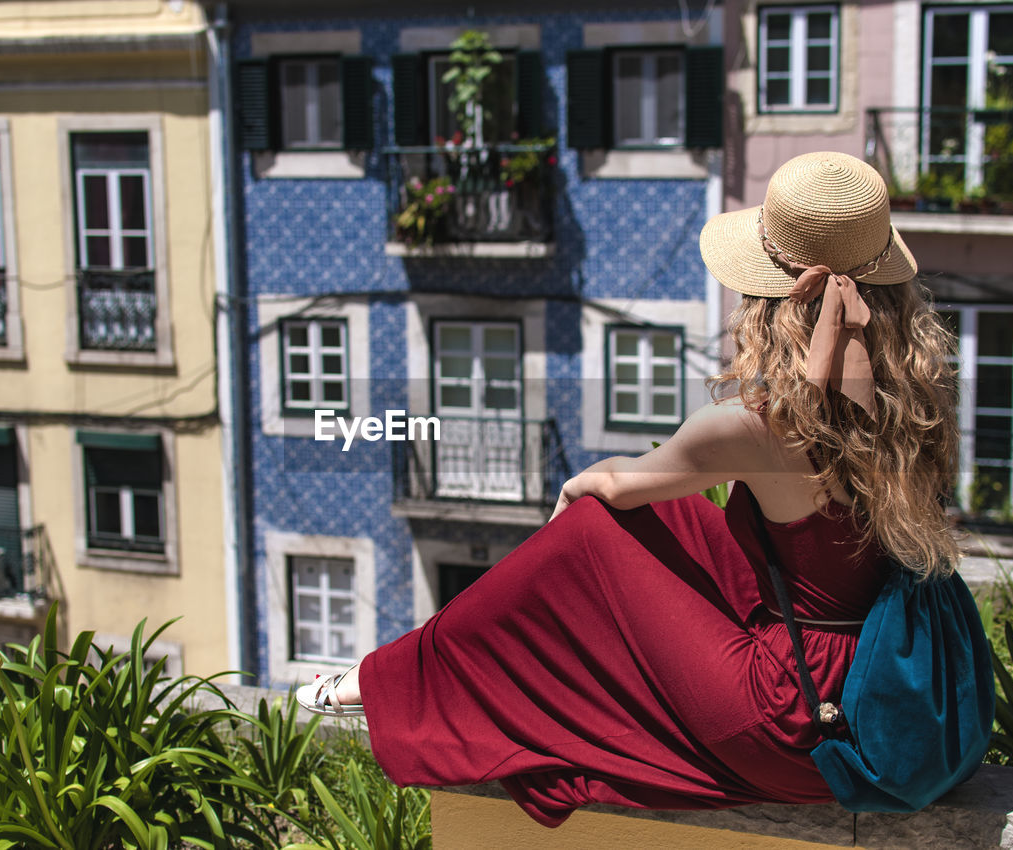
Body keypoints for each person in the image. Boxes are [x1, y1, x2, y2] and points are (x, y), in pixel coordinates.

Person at [297, 151, 961, 827]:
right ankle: (417, 675)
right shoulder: (918, 404)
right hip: (893, 680)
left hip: (799, 717)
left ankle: (387, 683)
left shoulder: (756, 429)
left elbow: (615, 484)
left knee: (593, 525)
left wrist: (571, 498)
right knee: (674, 521)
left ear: (769, 301)